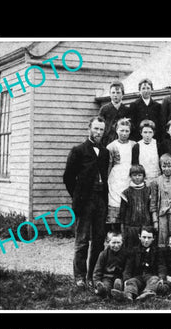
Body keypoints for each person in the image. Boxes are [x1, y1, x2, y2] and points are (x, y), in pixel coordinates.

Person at [63, 117, 109, 289]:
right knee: (82, 240)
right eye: (96, 129)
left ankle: (93, 276)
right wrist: (78, 197)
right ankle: (80, 276)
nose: (98, 133)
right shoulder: (78, 150)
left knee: (98, 240)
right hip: (85, 201)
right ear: (89, 128)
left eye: (101, 130)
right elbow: (68, 178)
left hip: (100, 200)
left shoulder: (105, 152)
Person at [113, 226, 160, 302]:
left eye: (149, 238)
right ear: (139, 237)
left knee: (154, 280)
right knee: (131, 282)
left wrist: (162, 277)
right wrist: (126, 279)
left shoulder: (157, 251)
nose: (146, 240)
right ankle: (128, 295)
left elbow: (161, 266)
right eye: (144, 237)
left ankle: (146, 294)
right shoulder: (134, 251)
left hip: (150, 276)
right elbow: (128, 267)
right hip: (138, 276)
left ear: (153, 238)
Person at [106, 119, 136, 230]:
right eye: (121, 130)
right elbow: (109, 165)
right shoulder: (111, 146)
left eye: (127, 131)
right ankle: (115, 232)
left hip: (130, 175)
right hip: (116, 177)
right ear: (116, 130)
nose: (124, 133)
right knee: (116, 201)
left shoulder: (134, 145)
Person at [120, 164, 152, 249]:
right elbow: (122, 213)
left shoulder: (149, 191)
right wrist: (124, 228)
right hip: (131, 227)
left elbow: (151, 209)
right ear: (130, 176)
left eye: (139, 175)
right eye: (134, 175)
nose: (137, 177)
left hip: (146, 226)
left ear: (144, 176)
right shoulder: (126, 193)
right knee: (131, 249)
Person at [93, 232, 129, 298]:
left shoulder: (125, 254)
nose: (116, 245)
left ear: (122, 242)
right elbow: (97, 270)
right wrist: (97, 282)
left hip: (119, 277)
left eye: (118, 242)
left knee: (118, 282)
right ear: (108, 242)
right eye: (113, 243)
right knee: (106, 285)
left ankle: (117, 291)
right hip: (107, 277)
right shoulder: (103, 254)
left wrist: (126, 280)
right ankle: (103, 290)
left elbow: (126, 270)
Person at [99, 80, 131, 147]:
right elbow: (100, 126)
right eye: (113, 93)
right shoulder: (104, 109)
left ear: (122, 94)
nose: (115, 95)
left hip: (123, 141)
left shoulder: (127, 110)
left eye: (118, 92)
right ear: (110, 94)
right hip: (107, 141)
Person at [131, 119, 161, 186]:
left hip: (157, 178)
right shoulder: (137, 146)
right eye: (145, 132)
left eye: (150, 132)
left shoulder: (158, 145)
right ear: (141, 132)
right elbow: (135, 165)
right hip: (143, 180)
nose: (147, 135)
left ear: (153, 133)